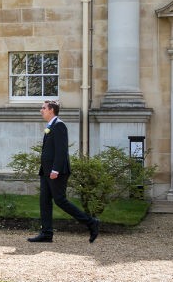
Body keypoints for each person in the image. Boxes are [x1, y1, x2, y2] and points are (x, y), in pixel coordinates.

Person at [27, 100, 100, 244]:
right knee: (44, 201)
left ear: (51, 110)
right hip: (46, 172)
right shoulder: (51, 125)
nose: (41, 110)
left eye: (43, 108)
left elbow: (61, 150)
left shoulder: (59, 125)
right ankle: (46, 233)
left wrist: (56, 169)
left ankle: (92, 222)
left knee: (60, 200)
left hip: (56, 172)